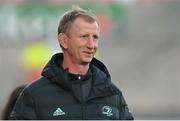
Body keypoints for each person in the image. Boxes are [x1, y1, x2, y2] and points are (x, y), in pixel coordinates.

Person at [10, 7, 134, 120]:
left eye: (95, 37)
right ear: (63, 40)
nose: (91, 45)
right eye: (84, 37)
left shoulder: (113, 94)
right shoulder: (34, 95)